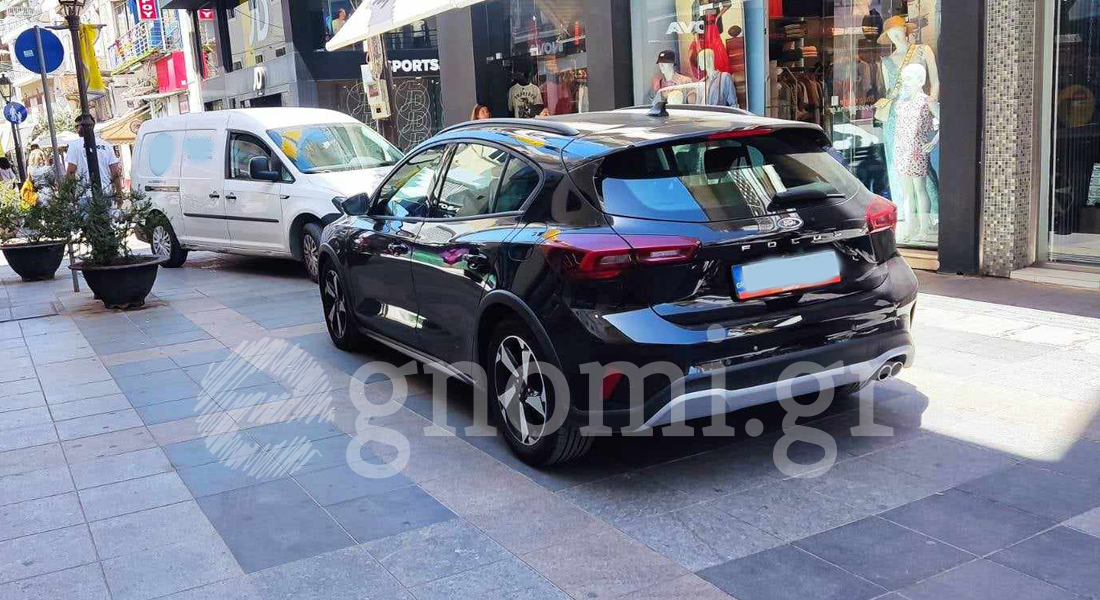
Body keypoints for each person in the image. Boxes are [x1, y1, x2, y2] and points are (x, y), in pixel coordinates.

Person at [65, 118, 123, 201]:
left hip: (85, 195)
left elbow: (71, 172)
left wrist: (68, 194)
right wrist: (119, 194)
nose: (76, 129)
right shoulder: (106, 145)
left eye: (77, 126)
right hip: (105, 193)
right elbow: (115, 172)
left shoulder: (74, 145)